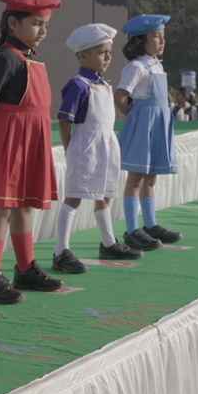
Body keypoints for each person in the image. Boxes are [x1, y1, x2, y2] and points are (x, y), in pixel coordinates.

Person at [0, 0, 64, 304]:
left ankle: (25, 267)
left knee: (24, 206)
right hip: (8, 142)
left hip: (30, 143)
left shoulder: (29, 59)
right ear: (13, 24)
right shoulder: (5, 58)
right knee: (3, 209)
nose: (42, 31)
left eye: (45, 25)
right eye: (36, 23)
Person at [51, 23, 141, 274]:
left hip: (107, 147)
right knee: (74, 196)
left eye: (109, 52)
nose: (108, 57)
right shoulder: (78, 85)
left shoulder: (104, 84)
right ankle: (60, 250)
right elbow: (64, 119)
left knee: (105, 194)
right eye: (102, 53)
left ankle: (108, 243)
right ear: (83, 55)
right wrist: (69, 148)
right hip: (86, 147)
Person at [115, 14, 182, 251]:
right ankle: (132, 230)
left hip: (158, 125)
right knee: (135, 178)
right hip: (144, 126)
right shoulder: (136, 67)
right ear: (141, 40)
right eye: (156, 36)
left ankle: (151, 225)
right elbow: (121, 94)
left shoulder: (156, 65)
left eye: (163, 36)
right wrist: (133, 116)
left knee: (151, 177)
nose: (161, 41)